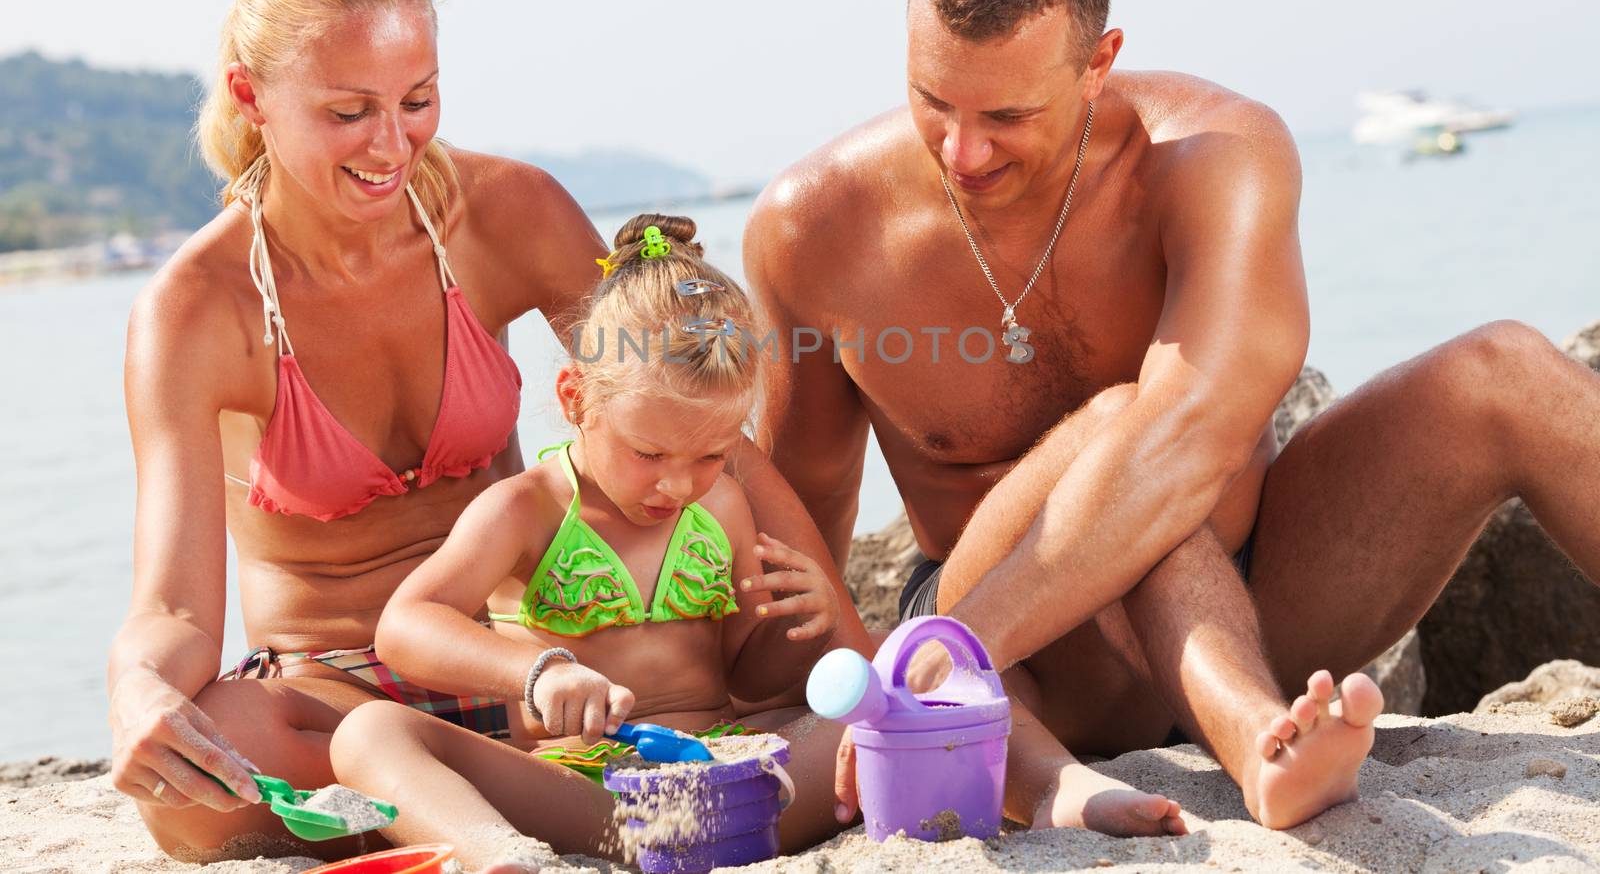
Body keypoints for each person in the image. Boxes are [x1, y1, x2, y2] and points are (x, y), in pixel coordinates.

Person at [746, 0, 1600, 830]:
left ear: (1099, 61)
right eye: (932, 99)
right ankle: (1264, 747)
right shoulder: (816, 227)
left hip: (1253, 594)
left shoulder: (1217, 156)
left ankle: (1261, 729)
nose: (962, 152)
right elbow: (791, 530)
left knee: (1508, 369)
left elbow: (1191, 435)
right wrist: (892, 675)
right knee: (1120, 431)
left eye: (1006, 118)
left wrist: (955, 642)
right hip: (1028, 669)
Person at [110, 0, 861, 861]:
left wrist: (850, 635)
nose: (394, 144)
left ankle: (491, 811)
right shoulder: (193, 310)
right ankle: (537, 816)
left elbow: (688, 411)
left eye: (417, 99)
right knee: (194, 793)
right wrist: (139, 689)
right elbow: (176, 609)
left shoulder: (506, 212)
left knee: (802, 699)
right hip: (340, 681)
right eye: (349, 112)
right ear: (250, 96)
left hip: (547, 652)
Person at [331, 214, 1182, 872]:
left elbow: (752, 678)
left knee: (905, 666)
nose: (677, 483)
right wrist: (535, 670)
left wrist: (802, 619)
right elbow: (406, 625)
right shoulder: (526, 509)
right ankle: (497, 856)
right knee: (367, 733)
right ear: (575, 397)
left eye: (710, 453)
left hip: (741, 787)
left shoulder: (723, 510)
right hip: (589, 800)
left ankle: (1061, 786)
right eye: (650, 452)